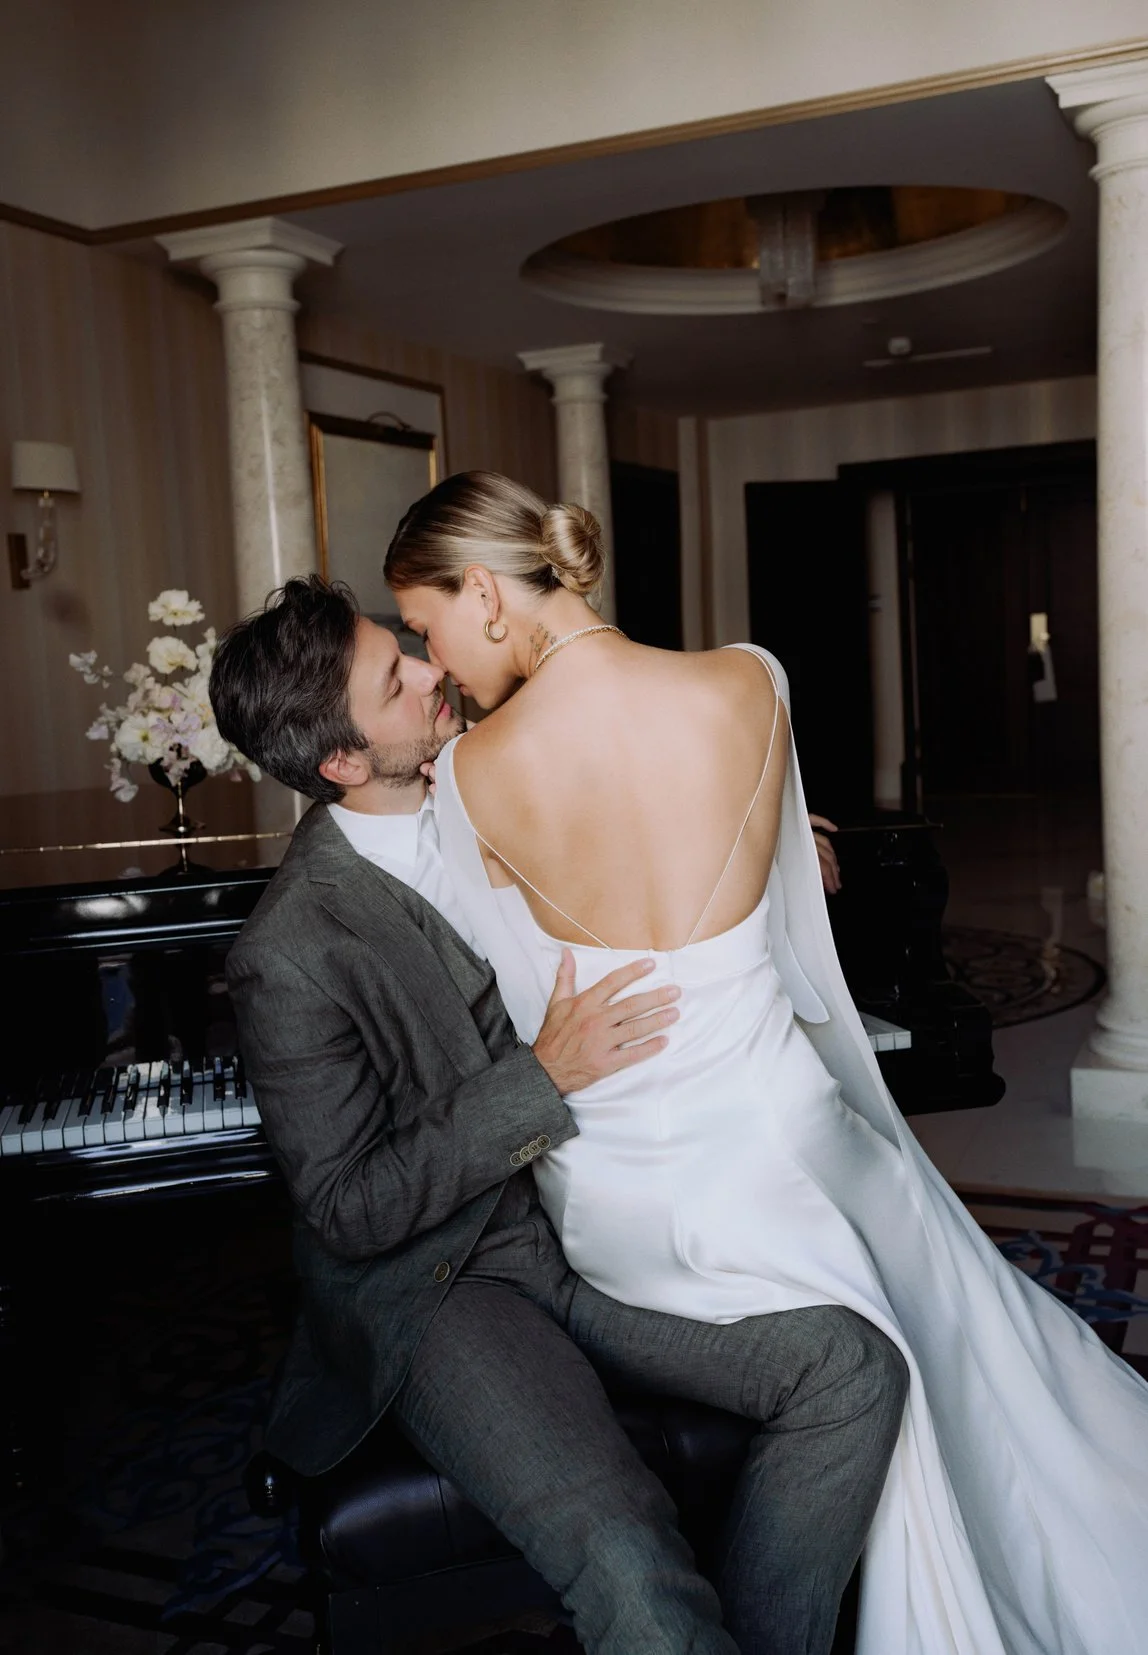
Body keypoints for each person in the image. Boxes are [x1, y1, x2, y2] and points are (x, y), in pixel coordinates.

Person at [384, 469, 1148, 1655]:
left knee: (883, 1261)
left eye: (424, 627)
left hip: (632, 1202)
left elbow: (529, 1012)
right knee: (916, 1242)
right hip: (790, 1132)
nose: (433, 666)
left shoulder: (470, 779)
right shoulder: (748, 679)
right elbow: (797, 952)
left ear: (483, 590)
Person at [208, 576, 907, 1655]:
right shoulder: (291, 952)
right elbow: (348, 1207)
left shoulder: (511, 770)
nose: (435, 668)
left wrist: (776, 865)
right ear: (340, 761)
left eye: (409, 645)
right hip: (450, 1285)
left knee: (852, 1373)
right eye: (395, 679)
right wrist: (539, 1078)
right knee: (625, 1549)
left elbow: (674, 830)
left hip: (602, 1226)